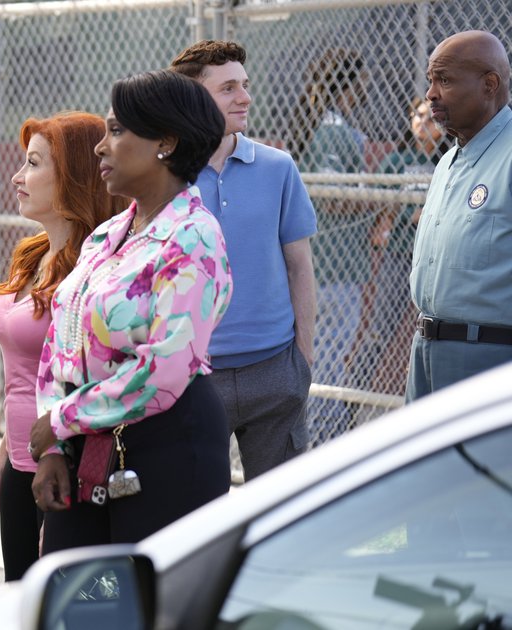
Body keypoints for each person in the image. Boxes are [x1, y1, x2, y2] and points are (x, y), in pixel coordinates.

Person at [29, 70, 233, 551]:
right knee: (73, 600)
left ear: (166, 142)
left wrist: (61, 420)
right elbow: (62, 340)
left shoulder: (194, 238)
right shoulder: (106, 236)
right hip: (85, 443)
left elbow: (164, 370)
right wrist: (55, 448)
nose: (101, 146)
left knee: (146, 606)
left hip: (167, 449)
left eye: (117, 131)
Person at [0, 112, 124, 581]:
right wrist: (6, 452)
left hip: (66, 463)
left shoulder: (95, 270)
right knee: (20, 598)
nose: (17, 176)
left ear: (75, 176)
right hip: (22, 461)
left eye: (34, 164)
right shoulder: (31, 255)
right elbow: (27, 375)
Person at [170, 41, 317, 481]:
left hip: (275, 371)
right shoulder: (167, 175)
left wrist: (302, 361)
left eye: (246, 85)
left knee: (280, 516)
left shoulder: (278, 167)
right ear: (195, 99)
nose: (245, 97)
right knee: (198, 517)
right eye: (228, 88)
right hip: (194, 377)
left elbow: (300, 267)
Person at [407, 30, 512, 399]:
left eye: (445, 80)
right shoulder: (448, 161)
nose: (431, 93)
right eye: (431, 81)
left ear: (489, 85)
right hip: (425, 353)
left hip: (490, 364)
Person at [288, 47, 370, 442]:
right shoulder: (333, 129)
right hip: (333, 269)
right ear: (347, 86)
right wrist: (373, 197)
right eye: (361, 84)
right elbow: (332, 196)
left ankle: (316, 433)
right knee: (329, 360)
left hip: (323, 263)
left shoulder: (318, 124)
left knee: (322, 355)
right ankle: (321, 438)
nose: (364, 92)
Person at [357, 97, 448, 398]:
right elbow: (380, 209)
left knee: (431, 330)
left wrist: (428, 213)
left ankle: (425, 395)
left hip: (435, 259)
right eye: (418, 116)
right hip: (399, 254)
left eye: (431, 118)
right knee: (380, 329)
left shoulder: (446, 161)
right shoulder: (398, 159)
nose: (423, 122)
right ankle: (355, 393)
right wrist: (394, 217)